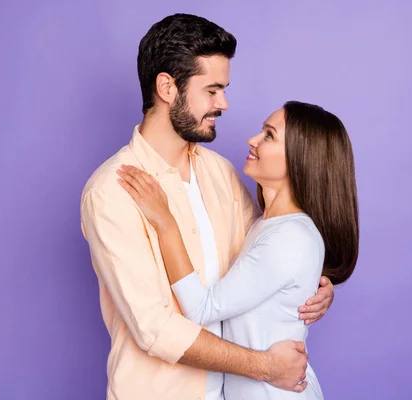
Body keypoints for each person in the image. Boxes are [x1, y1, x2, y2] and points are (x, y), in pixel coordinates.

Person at [80, 13, 335, 400]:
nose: (225, 104)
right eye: (212, 90)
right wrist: (264, 366)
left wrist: (311, 285)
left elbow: (261, 256)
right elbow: (156, 329)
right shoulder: (111, 191)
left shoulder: (221, 173)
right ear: (167, 87)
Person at [117, 100, 359, 399]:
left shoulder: (289, 237)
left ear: (300, 158)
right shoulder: (266, 226)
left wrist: (166, 223)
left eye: (269, 135)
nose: (252, 140)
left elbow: (202, 309)